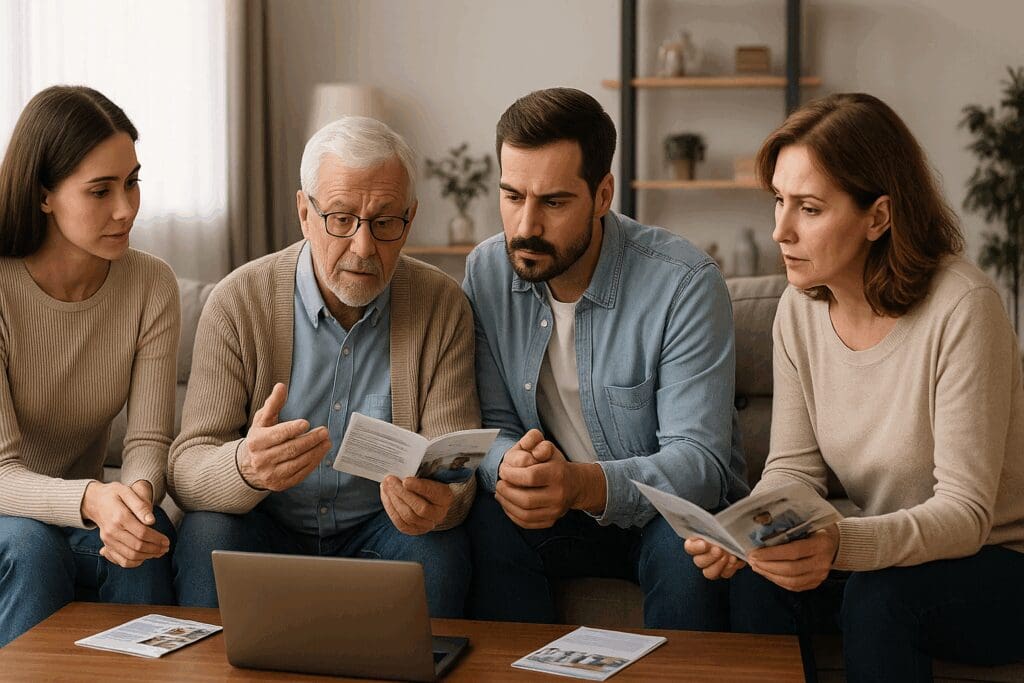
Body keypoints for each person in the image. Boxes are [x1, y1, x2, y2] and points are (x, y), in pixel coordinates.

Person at [685, 93, 1024, 680]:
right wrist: (748, 532)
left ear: (878, 217)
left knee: (880, 598)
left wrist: (839, 544)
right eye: (779, 202)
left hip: (996, 563)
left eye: (809, 209)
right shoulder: (798, 310)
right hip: (891, 556)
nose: (780, 231)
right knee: (756, 584)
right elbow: (792, 472)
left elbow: (966, 515)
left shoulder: (963, 307)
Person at [463, 87, 749, 630]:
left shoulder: (684, 284)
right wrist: (511, 469)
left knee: (684, 548)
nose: (525, 227)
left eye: (553, 202)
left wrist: (581, 484)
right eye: (512, 195)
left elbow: (700, 467)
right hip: (559, 516)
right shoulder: (487, 274)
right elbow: (493, 424)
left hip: (663, 514)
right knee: (482, 521)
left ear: (602, 195)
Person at [169, 116, 477, 617]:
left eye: (384, 222)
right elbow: (185, 467)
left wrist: (440, 504)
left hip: (382, 530)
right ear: (304, 213)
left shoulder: (441, 304)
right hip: (263, 525)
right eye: (340, 218)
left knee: (439, 552)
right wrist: (245, 466)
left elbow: (457, 469)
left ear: (410, 219)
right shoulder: (236, 302)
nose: (363, 247)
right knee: (207, 532)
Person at [0, 86, 179, 646]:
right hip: (14, 510)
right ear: (43, 195)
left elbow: (148, 439)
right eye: (100, 190)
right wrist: (91, 500)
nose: (125, 208)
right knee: (31, 550)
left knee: (146, 542)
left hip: (82, 506)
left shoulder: (151, 284)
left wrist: (136, 500)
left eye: (132, 182)